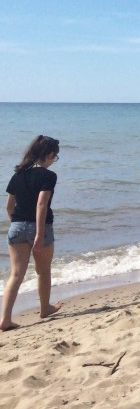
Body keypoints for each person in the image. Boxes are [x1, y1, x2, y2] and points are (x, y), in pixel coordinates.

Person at [2, 135, 63, 331]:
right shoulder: (48, 176)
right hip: (40, 228)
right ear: (50, 155)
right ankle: (45, 308)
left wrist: (17, 224)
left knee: (16, 274)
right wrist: (37, 233)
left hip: (16, 227)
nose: (54, 160)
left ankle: (5, 319)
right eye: (55, 157)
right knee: (43, 271)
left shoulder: (17, 175)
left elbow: (9, 206)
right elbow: (41, 204)